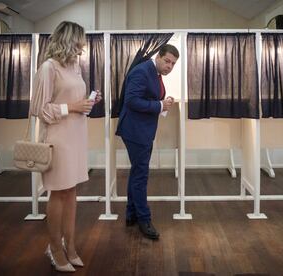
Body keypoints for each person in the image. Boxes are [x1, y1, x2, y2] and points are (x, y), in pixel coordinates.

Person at [30, 21, 102, 272]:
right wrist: (72, 107)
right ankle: (54, 248)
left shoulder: (74, 67)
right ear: (68, 40)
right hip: (58, 139)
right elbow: (39, 109)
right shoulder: (48, 68)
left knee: (71, 193)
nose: (83, 47)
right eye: (80, 41)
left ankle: (70, 246)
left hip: (77, 136)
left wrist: (86, 102)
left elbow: (72, 100)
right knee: (58, 192)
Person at [116, 44, 179, 240]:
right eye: (167, 61)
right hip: (136, 131)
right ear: (158, 57)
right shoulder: (143, 71)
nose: (169, 66)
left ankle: (131, 214)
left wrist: (162, 103)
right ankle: (144, 219)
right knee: (141, 174)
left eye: (173, 64)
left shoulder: (155, 73)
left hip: (141, 129)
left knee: (137, 172)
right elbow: (131, 101)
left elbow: (147, 97)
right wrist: (160, 104)